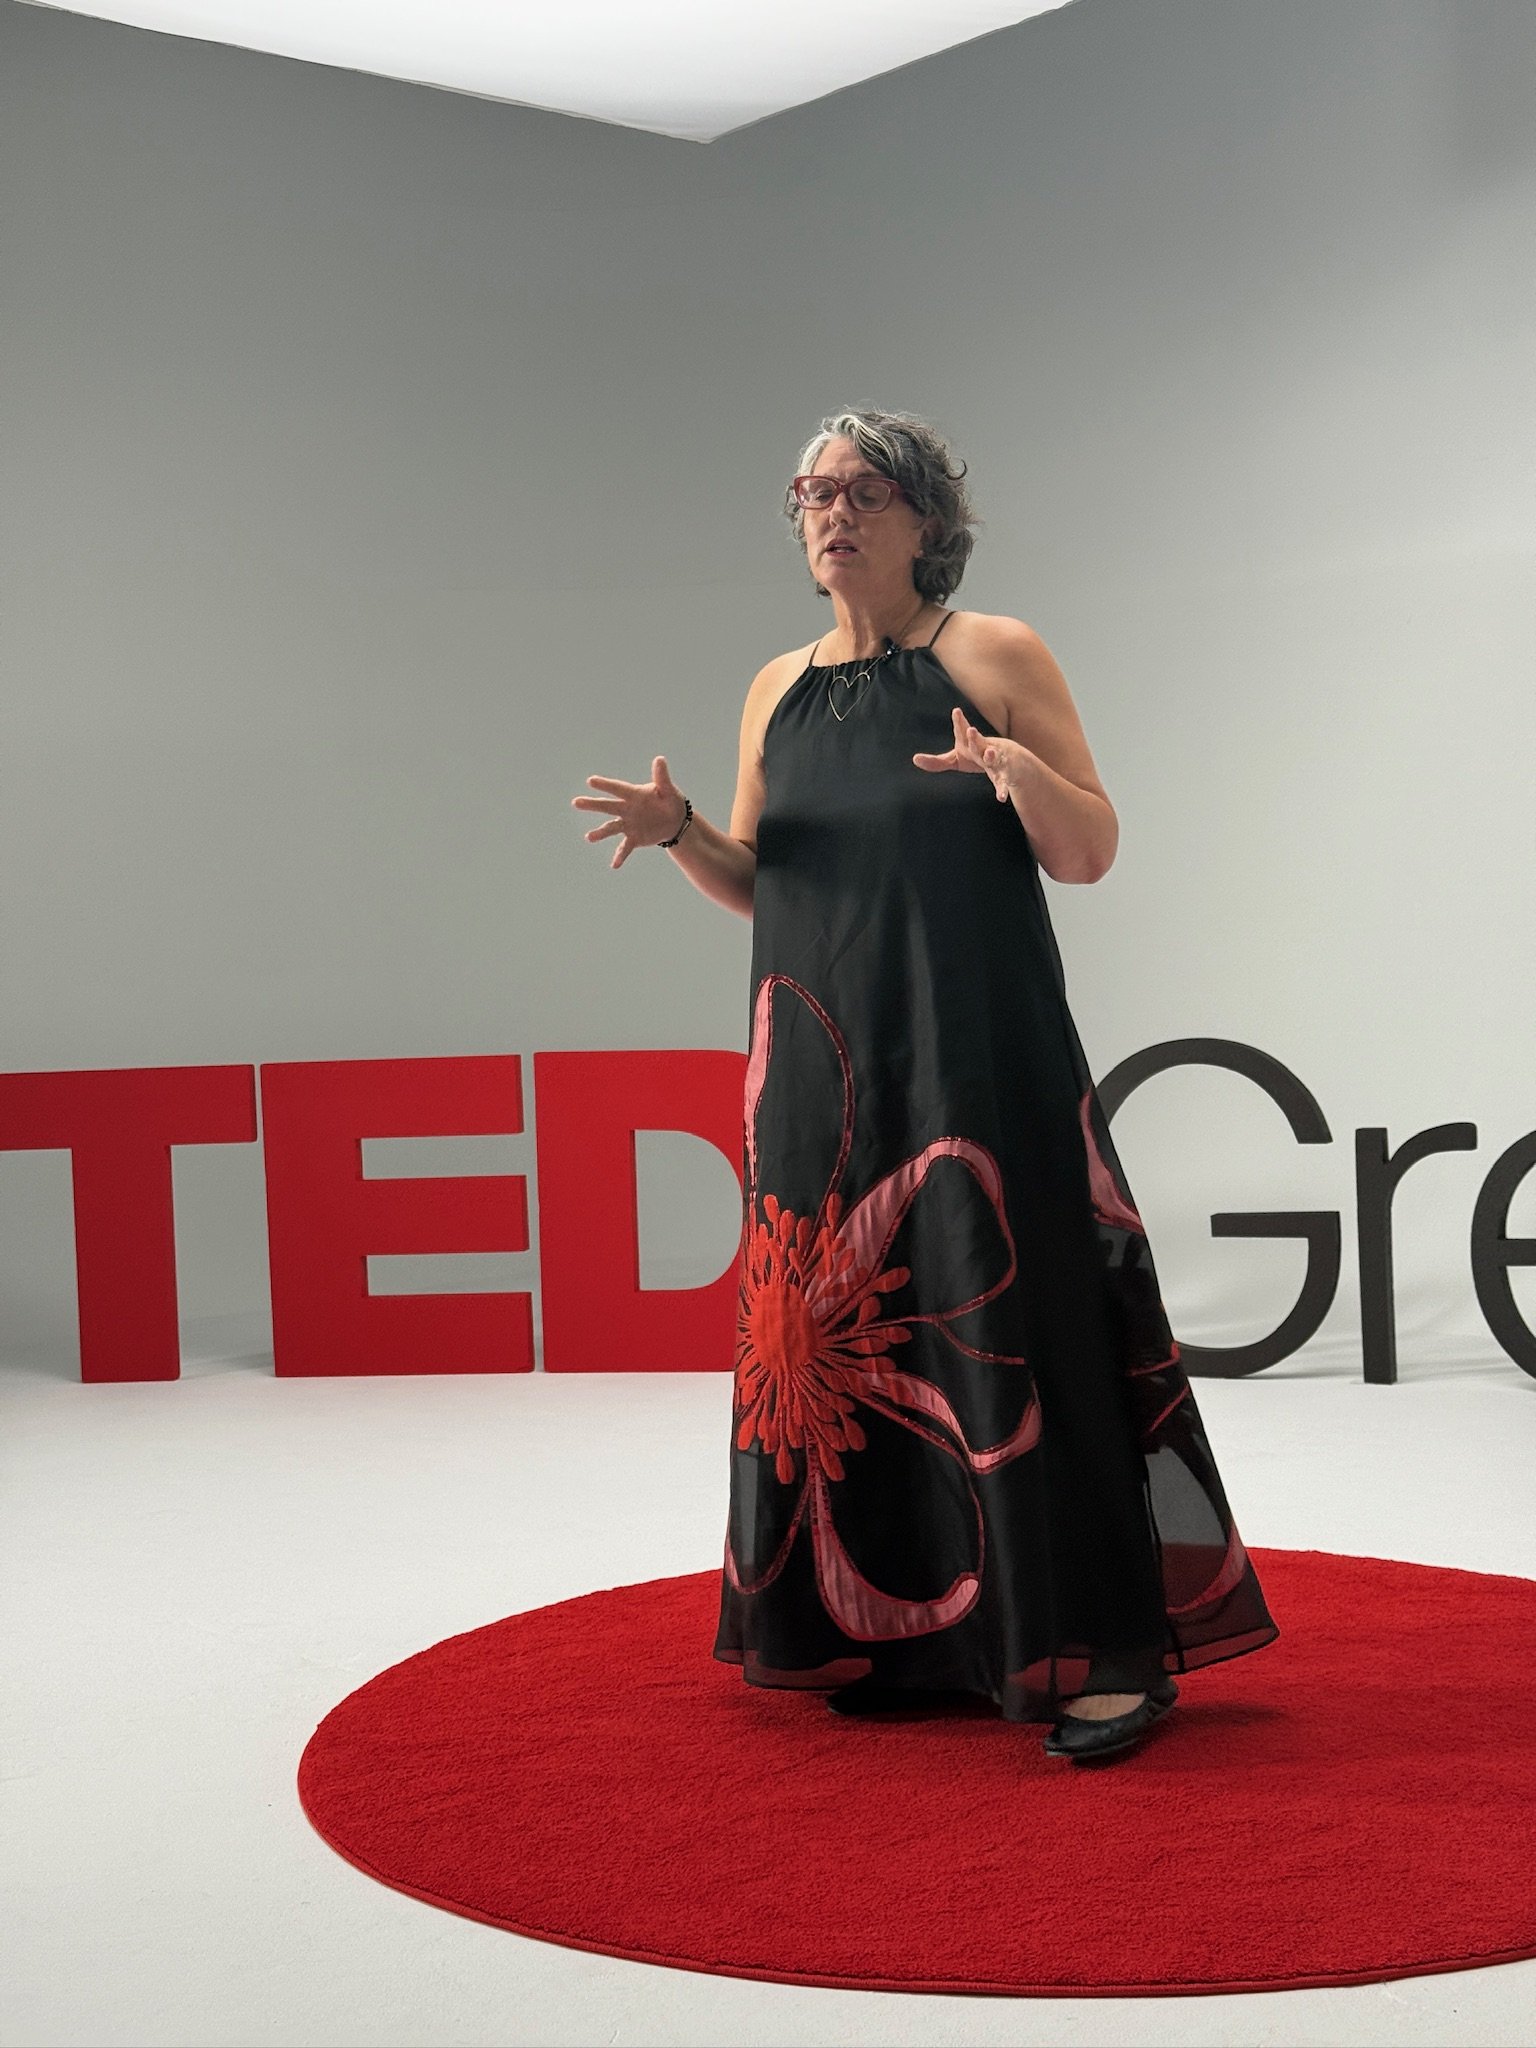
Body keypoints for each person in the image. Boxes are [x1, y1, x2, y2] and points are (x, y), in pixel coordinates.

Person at [572, 406, 1278, 1763]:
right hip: (827, 1071)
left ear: (924, 518)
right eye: (810, 494)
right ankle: (925, 1637)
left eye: (862, 491)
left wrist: (1016, 772)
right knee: (869, 1356)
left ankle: (1112, 1653)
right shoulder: (775, 686)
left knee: (1029, 1334)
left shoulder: (993, 653)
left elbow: (1088, 854)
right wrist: (681, 838)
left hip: (978, 1054)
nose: (831, 514)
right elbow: (761, 885)